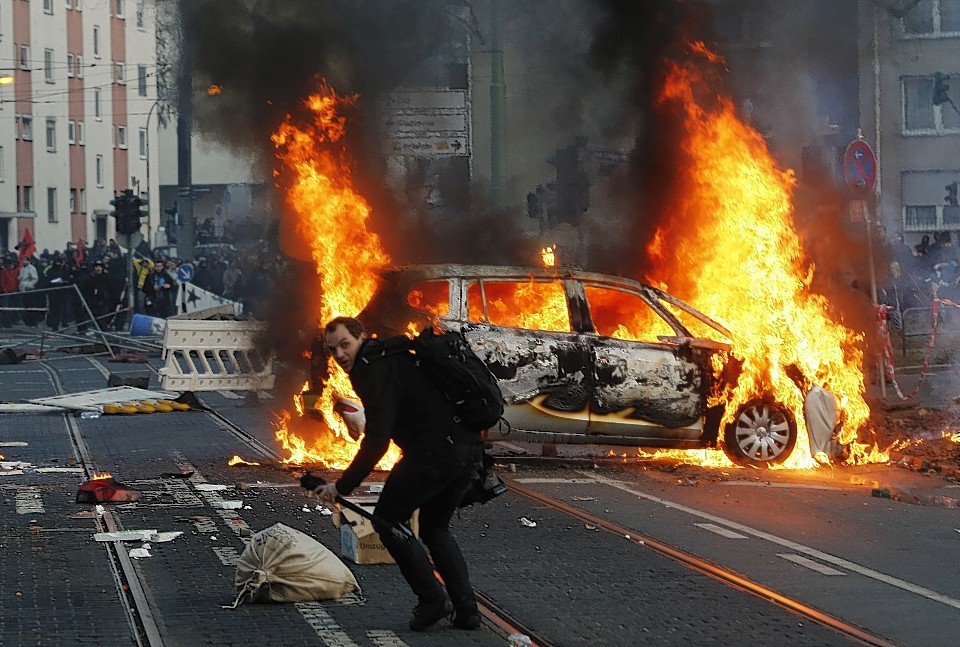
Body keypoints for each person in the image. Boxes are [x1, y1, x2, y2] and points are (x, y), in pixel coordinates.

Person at [315, 316, 484, 632]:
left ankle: (432, 599)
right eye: (332, 349)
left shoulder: (372, 367)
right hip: (468, 448)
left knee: (386, 519)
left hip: (435, 452)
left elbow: (378, 437)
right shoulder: (392, 355)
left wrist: (344, 485)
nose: (339, 354)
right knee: (435, 527)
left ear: (362, 337)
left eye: (345, 344)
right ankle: (467, 611)